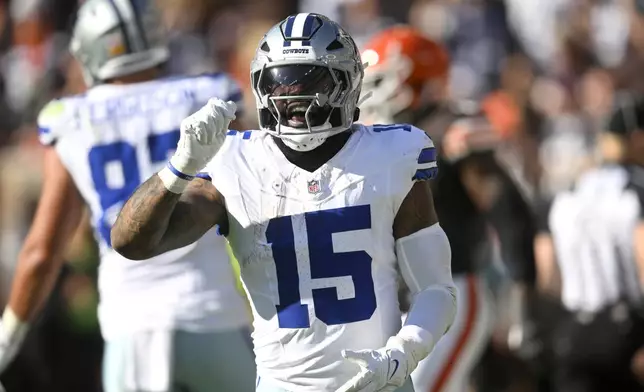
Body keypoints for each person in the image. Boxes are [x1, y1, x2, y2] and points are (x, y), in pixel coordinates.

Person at [111, 12, 457, 392]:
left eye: (309, 80)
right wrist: (179, 167)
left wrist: (401, 355)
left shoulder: (392, 154)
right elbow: (131, 242)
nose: (293, 95)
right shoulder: (234, 163)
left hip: (381, 383)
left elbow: (435, 289)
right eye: (280, 81)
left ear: (346, 82)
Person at [0, 1, 255, 391]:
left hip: (133, 323)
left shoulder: (71, 118)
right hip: (212, 313)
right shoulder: (208, 94)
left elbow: (42, 252)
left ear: (89, 49)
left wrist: (6, 341)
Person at [360, 26, 538, 392]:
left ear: (416, 80)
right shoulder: (374, 142)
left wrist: (523, 295)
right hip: (400, 302)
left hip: (451, 291)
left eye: (380, 82)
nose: (370, 94)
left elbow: (507, 208)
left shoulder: (451, 130)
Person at [535, 92, 644, 392]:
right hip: (628, 333)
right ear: (637, 139)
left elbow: (548, 279)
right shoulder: (636, 190)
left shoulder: (564, 192)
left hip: (573, 333)